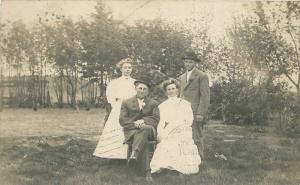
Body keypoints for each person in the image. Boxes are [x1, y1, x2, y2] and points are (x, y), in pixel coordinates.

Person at [150, 79, 201, 175]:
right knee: (164, 140)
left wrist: (180, 127)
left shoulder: (185, 104)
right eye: (168, 89)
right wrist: (160, 133)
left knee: (179, 139)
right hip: (169, 129)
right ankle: (164, 165)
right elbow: (162, 121)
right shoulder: (162, 105)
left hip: (183, 129)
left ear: (177, 90)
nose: (171, 91)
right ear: (166, 91)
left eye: (173, 88)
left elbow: (189, 119)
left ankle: (181, 167)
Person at [93, 58, 136, 159]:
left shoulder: (135, 82)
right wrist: (116, 105)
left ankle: (130, 154)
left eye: (129, 68)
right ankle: (113, 154)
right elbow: (110, 96)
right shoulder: (114, 82)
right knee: (116, 129)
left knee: (130, 130)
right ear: (121, 69)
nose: (127, 70)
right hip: (118, 108)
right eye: (125, 67)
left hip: (131, 109)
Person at [119, 77, 159, 182]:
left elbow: (155, 120)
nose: (142, 91)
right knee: (144, 142)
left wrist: (143, 120)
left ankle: (135, 153)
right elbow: (122, 120)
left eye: (144, 89)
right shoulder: (126, 102)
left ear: (148, 91)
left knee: (145, 129)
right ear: (135, 89)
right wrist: (135, 124)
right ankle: (147, 172)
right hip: (132, 130)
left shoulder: (153, 103)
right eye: (140, 88)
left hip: (149, 130)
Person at [178, 49, 210, 160]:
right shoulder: (181, 77)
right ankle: (186, 158)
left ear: (195, 63)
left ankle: (200, 158)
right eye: (186, 61)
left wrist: (200, 113)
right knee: (185, 135)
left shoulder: (202, 76)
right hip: (183, 111)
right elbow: (180, 95)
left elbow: (205, 96)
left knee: (196, 135)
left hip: (195, 111)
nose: (188, 64)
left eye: (190, 62)